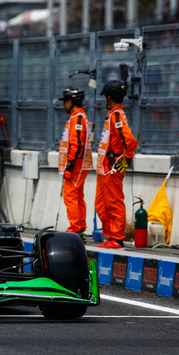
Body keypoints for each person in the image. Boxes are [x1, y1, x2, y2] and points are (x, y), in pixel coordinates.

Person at [95, 80, 137, 249]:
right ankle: (111, 236)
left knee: (114, 202)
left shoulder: (117, 116)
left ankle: (117, 238)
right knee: (101, 204)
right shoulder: (113, 115)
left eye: (106, 96)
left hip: (112, 167)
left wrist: (127, 159)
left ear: (109, 97)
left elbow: (130, 141)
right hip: (105, 167)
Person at [57, 87, 93, 242]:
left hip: (76, 164)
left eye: (65, 102)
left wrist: (70, 166)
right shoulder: (78, 117)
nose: (64, 105)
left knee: (70, 195)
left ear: (70, 102)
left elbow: (77, 144)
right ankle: (80, 229)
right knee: (77, 196)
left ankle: (75, 230)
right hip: (79, 163)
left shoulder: (77, 118)